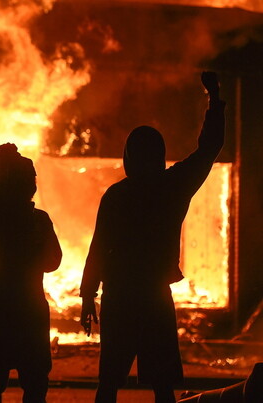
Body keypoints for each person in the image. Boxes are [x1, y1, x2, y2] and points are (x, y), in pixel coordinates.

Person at [80, 72, 225, 403]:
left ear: (128, 157)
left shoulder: (116, 195)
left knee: (109, 384)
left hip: (119, 299)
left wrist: (88, 295)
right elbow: (210, 147)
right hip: (154, 298)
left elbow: (99, 248)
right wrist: (214, 98)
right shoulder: (173, 186)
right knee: (162, 386)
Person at [0, 144, 62, 403]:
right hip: (31, 307)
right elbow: (54, 261)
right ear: (32, 186)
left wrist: (2, 163)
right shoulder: (39, 220)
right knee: (36, 381)